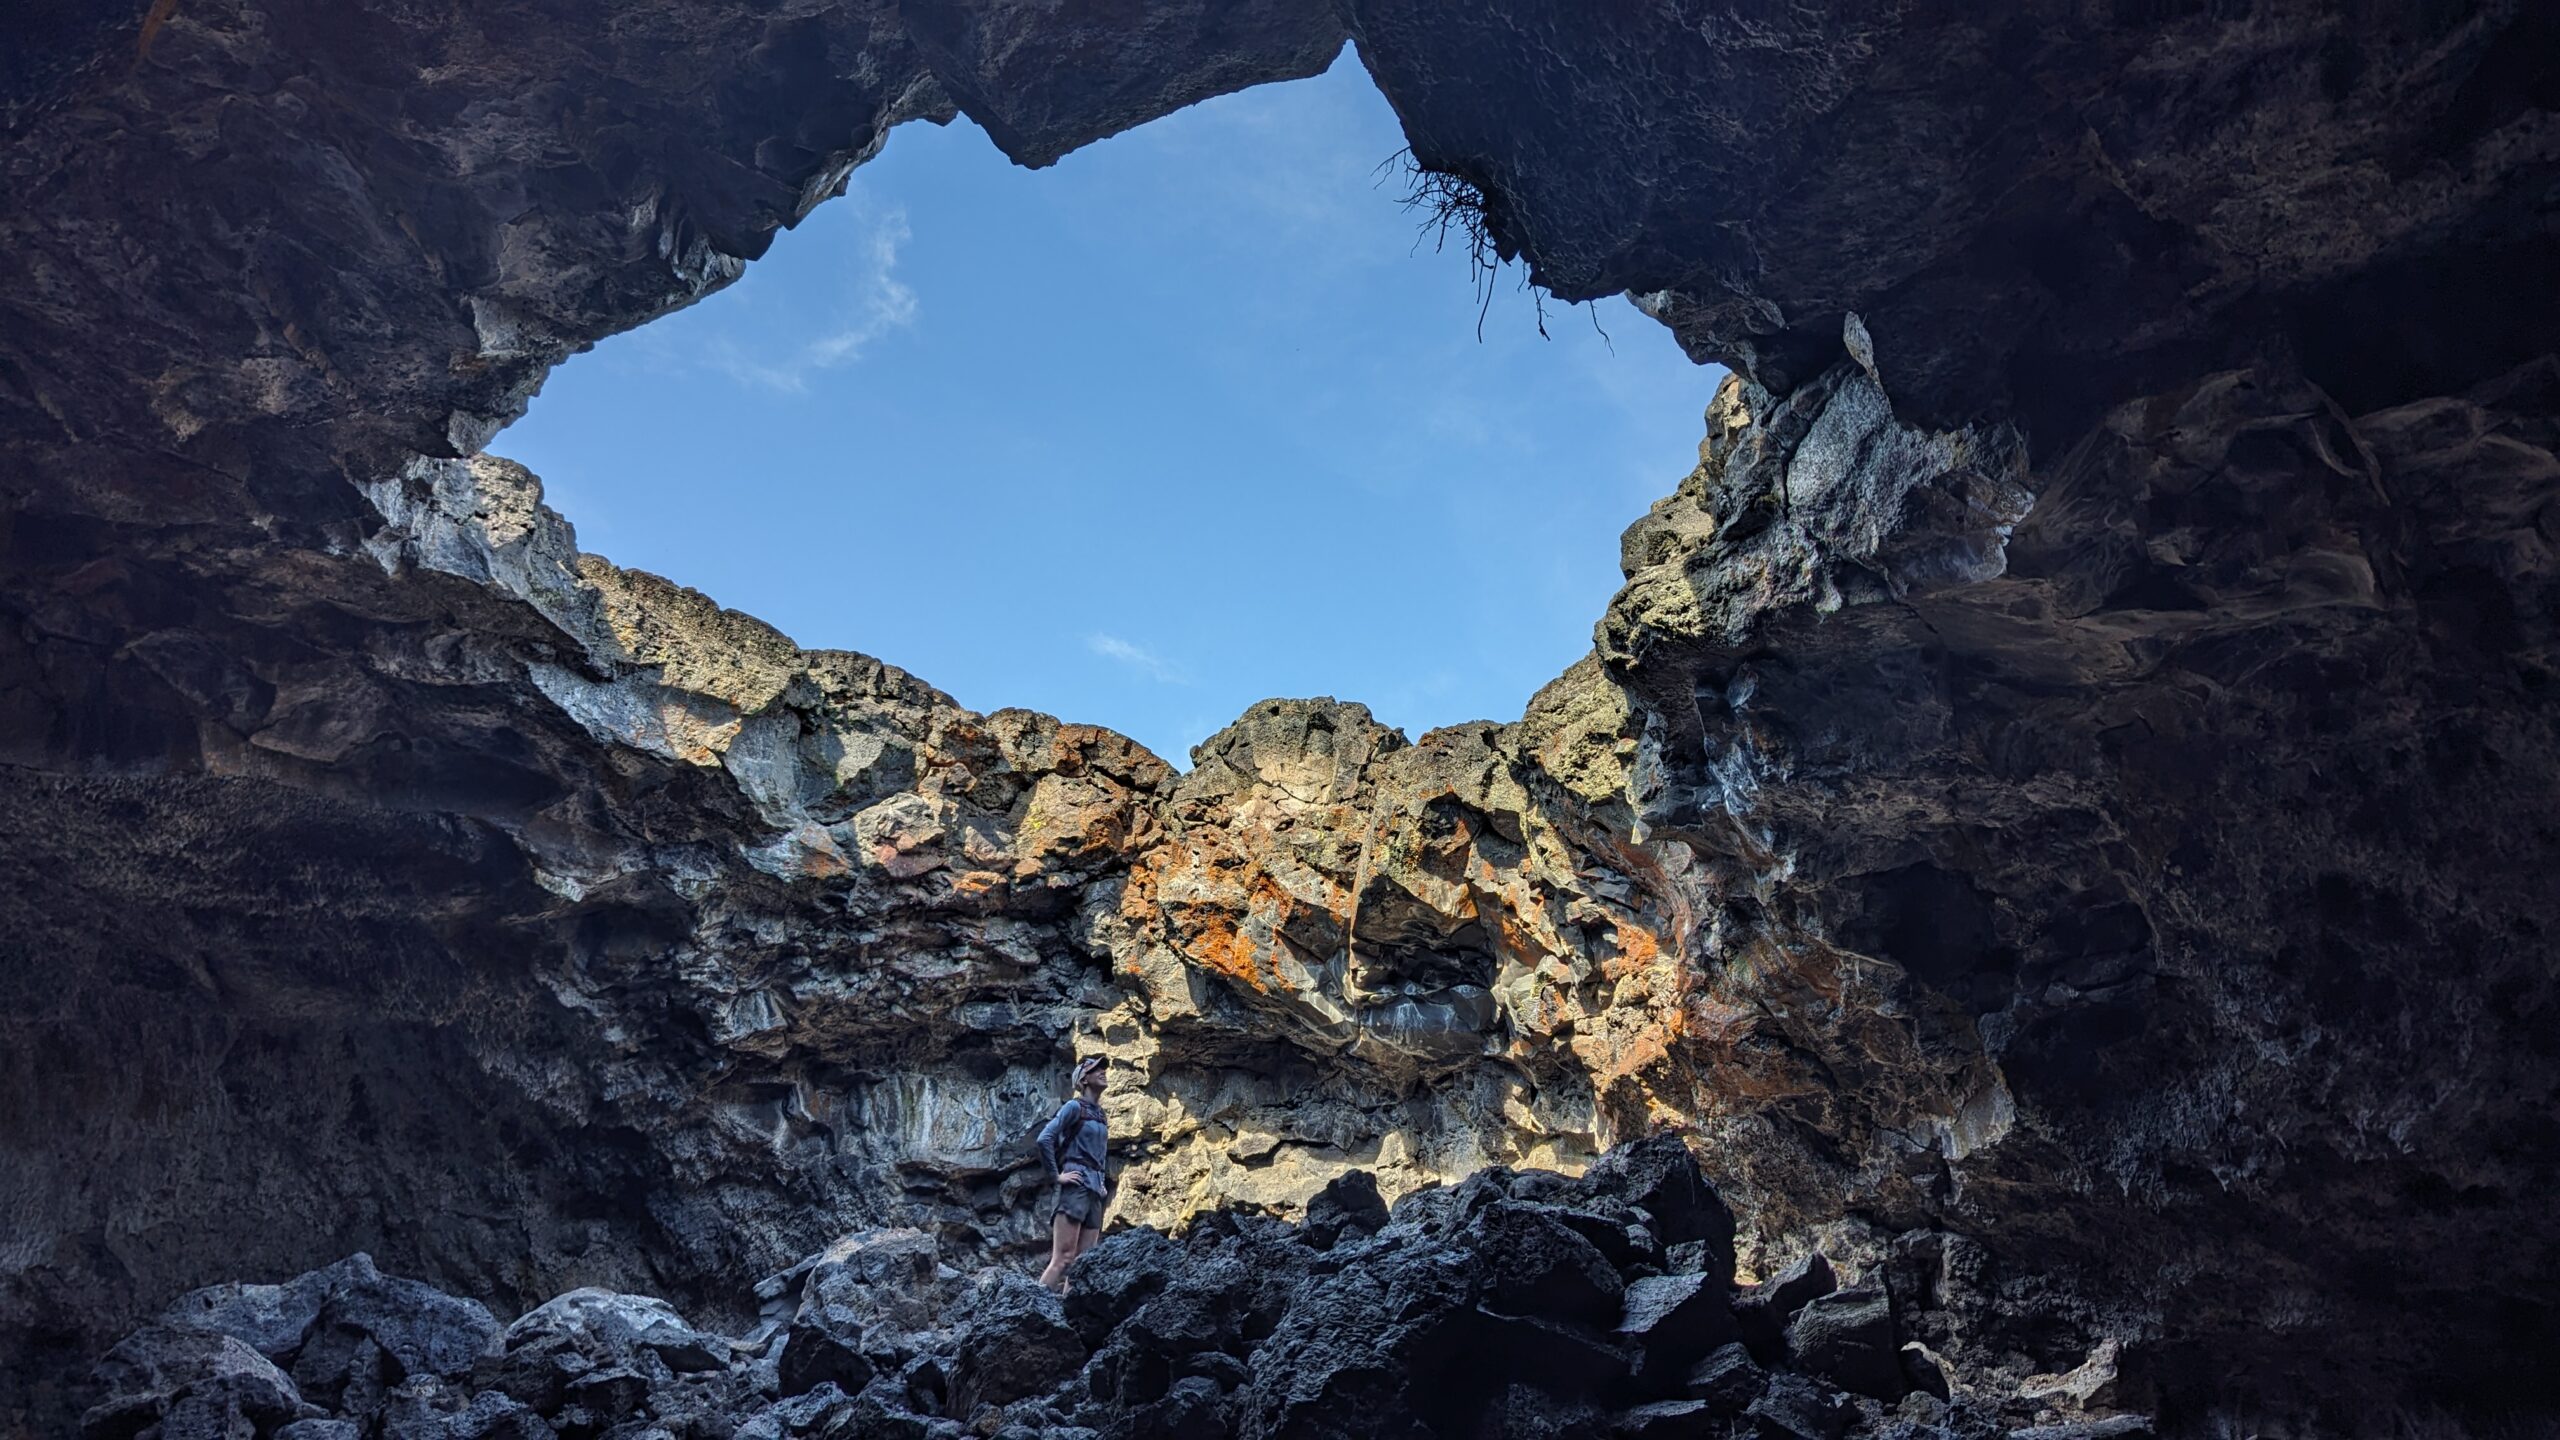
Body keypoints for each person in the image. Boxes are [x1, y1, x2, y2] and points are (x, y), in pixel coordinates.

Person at [1035, 1056, 1110, 1292]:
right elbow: (1044, 1138)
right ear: (1083, 1079)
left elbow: (1100, 1153)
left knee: (1083, 1264)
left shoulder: (1101, 1114)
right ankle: (1033, 1310)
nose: (1102, 1071)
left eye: (1103, 1068)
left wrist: (1103, 1181)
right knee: (1064, 1258)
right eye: (1096, 1069)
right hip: (1075, 1186)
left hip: (1095, 1191)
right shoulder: (1073, 1107)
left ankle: (1068, 1320)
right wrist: (1056, 1176)